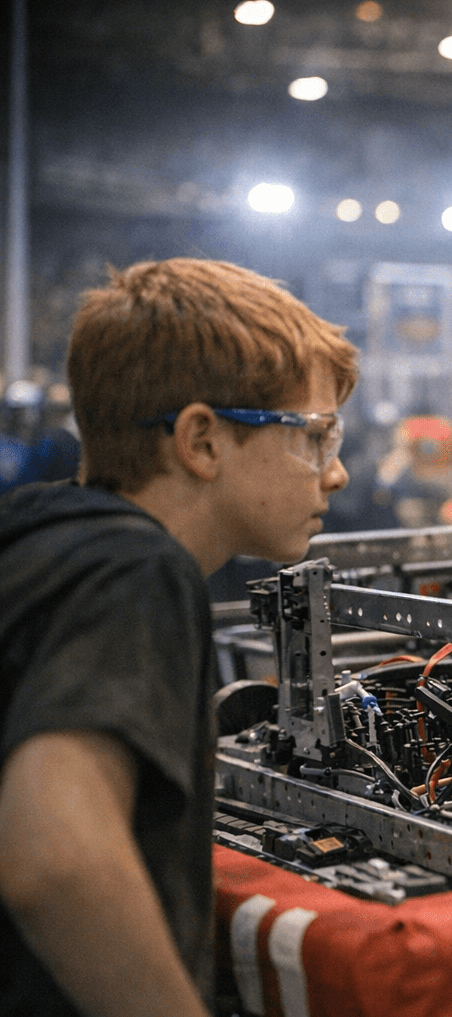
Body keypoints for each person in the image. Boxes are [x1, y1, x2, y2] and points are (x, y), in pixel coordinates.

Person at [0, 258, 357, 1016]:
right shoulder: (136, 569)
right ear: (201, 441)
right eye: (316, 437)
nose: (338, 474)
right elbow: (55, 857)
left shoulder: (39, 536)